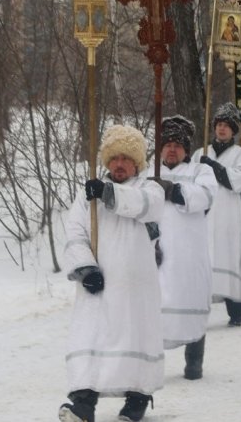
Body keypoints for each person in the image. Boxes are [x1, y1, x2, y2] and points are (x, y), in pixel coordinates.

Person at [60, 125, 164, 422]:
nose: (119, 164)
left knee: (134, 339)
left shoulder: (149, 188)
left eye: (126, 158)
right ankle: (83, 404)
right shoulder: (87, 196)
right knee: (89, 339)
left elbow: (146, 207)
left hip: (135, 286)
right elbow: (75, 231)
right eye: (114, 157)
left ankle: (137, 399)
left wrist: (108, 193)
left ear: (137, 163)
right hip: (98, 283)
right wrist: (84, 267)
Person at [153, 116, 217, 380]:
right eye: (167, 144)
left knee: (190, 301)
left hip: (188, 254)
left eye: (177, 145)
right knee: (154, 309)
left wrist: (172, 190)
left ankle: (194, 361)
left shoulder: (200, 171)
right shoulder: (149, 171)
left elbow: (205, 196)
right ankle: (151, 363)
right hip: (157, 253)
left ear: (186, 149)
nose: (171, 149)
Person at [193, 103, 241, 326]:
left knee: (229, 257)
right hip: (206, 213)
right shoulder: (201, 153)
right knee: (204, 259)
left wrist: (215, 168)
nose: (221, 129)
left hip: (229, 214)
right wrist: (204, 166)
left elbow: (239, 182)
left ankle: (235, 310)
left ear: (233, 130)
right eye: (219, 125)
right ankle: (199, 309)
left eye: (226, 126)